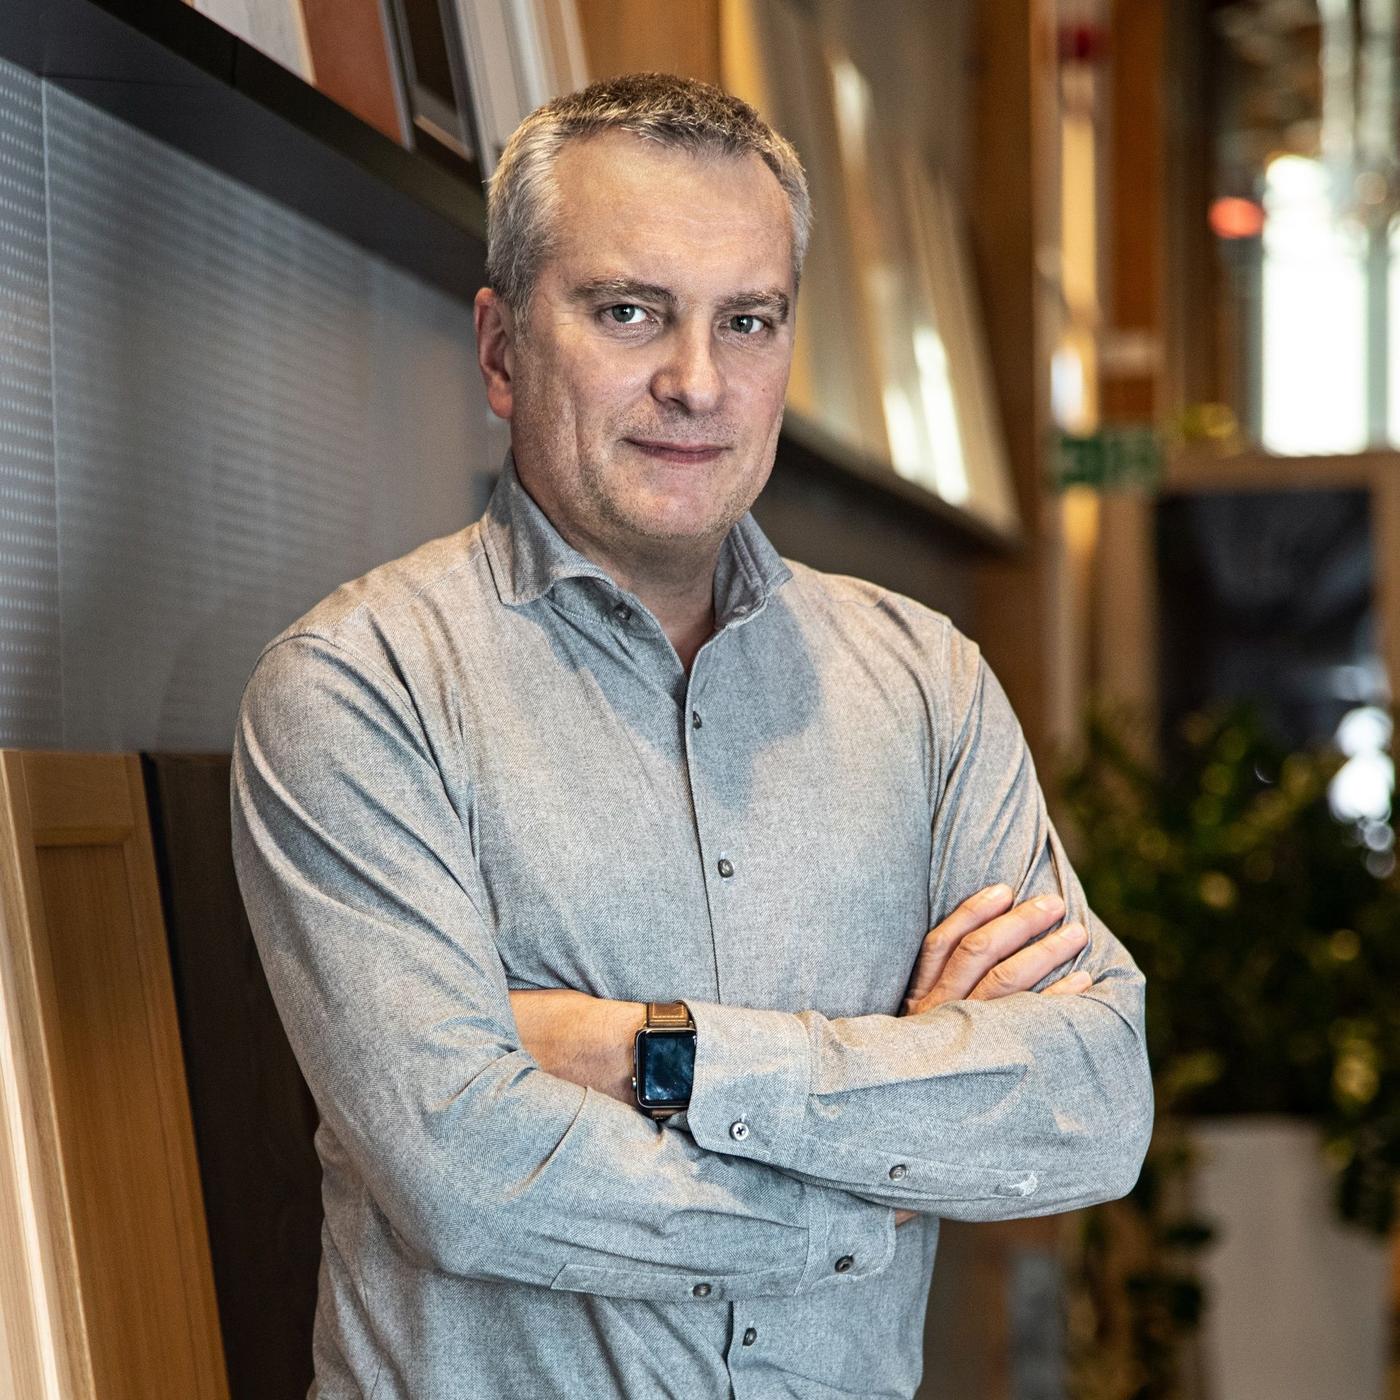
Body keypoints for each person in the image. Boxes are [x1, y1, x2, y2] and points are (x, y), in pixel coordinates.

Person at [231, 72, 1151, 1400]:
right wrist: (870, 1180)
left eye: (749, 320)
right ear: (500, 347)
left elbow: (1093, 1108)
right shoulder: (359, 689)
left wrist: (646, 1051)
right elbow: (469, 1175)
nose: (696, 381)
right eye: (627, 312)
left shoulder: (925, 684)